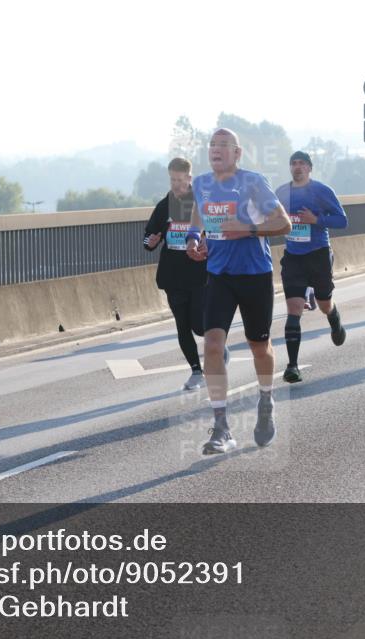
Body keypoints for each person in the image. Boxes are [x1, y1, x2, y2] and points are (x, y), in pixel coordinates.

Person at [185, 129, 291, 454]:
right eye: (212, 145)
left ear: (237, 152)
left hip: (254, 275)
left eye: (223, 146)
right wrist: (192, 238)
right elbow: (199, 212)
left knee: (260, 347)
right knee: (213, 345)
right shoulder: (202, 183)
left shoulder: (253, 182)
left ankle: (266, 399)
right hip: (219, 275)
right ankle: (221, 427)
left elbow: (283, 224)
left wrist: (247, 229)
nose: (216, 150)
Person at [275, 150, 348, 384]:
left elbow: (342, 220)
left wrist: (316, 220)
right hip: (293, 257)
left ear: (309, 168)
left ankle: (334, 318)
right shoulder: (281, 193)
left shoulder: (321, 191)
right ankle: (292, 366)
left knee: (325, 302)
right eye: (293, 163)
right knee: (294, 310)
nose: (297, 167)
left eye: (302, 164)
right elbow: (270, 217)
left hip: (318, 254)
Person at [143, 157, 209, 391]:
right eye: (172, 179)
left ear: (189, 179)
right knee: (182, 325)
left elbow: (217, 231)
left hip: (200, 273)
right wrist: (151, 241)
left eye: (181, 180)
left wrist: (205, 242)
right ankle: (196, 372)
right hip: (173, 275)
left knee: (200, 327)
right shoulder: (164, 205)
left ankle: (218, 347)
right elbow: (148, 236)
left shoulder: (201, 203)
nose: (176, 184)